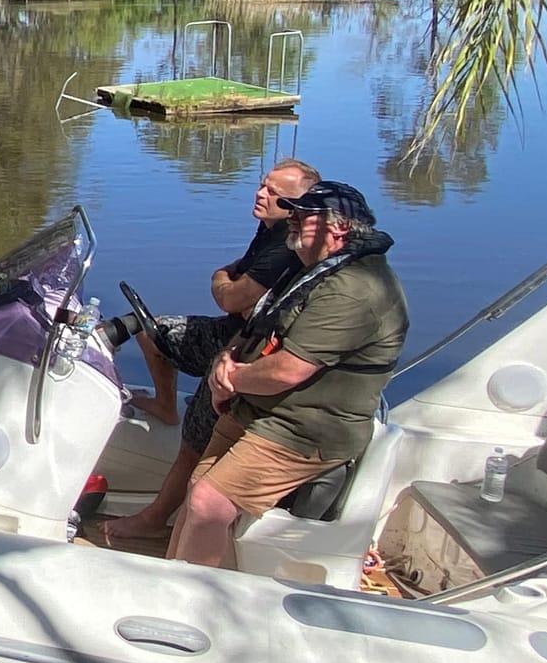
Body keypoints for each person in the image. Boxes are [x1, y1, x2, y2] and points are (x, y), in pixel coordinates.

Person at [168, 181, 410, 568]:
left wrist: (231, 380)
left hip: (305, 429)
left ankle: (191, 602)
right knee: (197, 488)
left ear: (339, 228)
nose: (292, 220)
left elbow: (289, 370)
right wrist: (225, 360)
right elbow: (255, 328)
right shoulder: (308, 269)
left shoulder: (356, 289)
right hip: (259, 411)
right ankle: (175, 577)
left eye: (303, 216)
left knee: (208, 502)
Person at [96, 159, 320, 544]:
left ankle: (155, 518)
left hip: (248, 347)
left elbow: (232, 296)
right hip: (235, 330)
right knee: (153, 330)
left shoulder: (285, 244)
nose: (260, 193)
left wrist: (224, 282)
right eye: (262, 185)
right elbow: (233, 287)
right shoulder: (268, 228)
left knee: (198, 430)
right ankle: (166, 404)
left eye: (272, 193)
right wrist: (229, 282)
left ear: (294, 208)